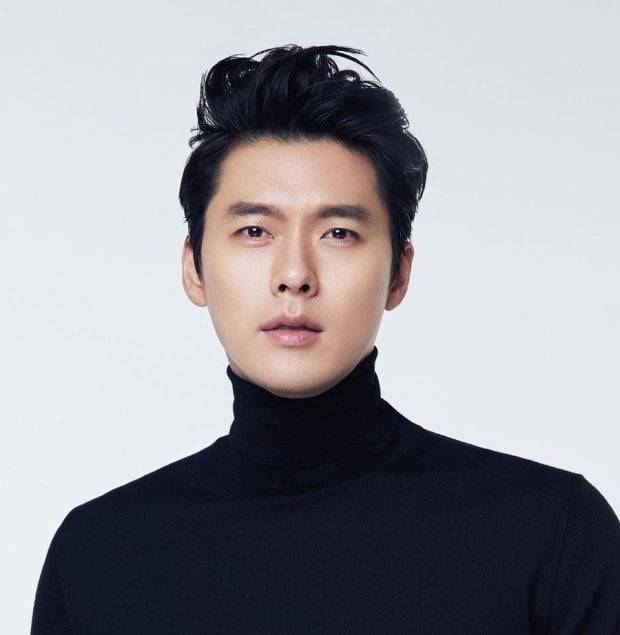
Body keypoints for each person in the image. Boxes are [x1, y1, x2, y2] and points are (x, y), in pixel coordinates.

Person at [30, 44, 620, 634]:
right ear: (195, 268)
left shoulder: (551, 533)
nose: (295, 274)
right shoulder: (99, 556)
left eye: (338, 232)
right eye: (255, 230)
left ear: (399, 274)